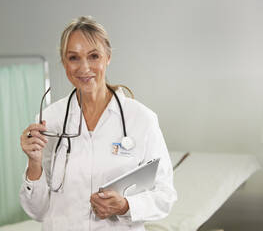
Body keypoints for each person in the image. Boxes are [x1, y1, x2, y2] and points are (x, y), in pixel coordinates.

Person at [19, 16, 176, 231]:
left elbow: (165, 196)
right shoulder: (49, 121)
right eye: (73, 58)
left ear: (107, 57)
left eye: (94, 56)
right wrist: (33, 164)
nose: (84, 67)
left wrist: (126, 206)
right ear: (64, 62)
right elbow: (37, 211)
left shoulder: (141, 119)